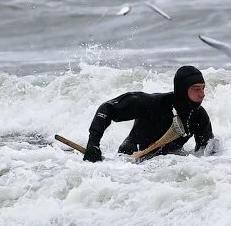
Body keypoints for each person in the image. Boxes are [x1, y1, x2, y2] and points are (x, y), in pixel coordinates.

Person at [83, 65, 216, 162]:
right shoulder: (152, 103)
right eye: (196, 89)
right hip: (129, 163)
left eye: (203, 88)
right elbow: (106, 109)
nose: (202, 94)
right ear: (182, 89)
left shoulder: (199, 116)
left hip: (168, 167)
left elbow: (206, 153)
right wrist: (93, 144)